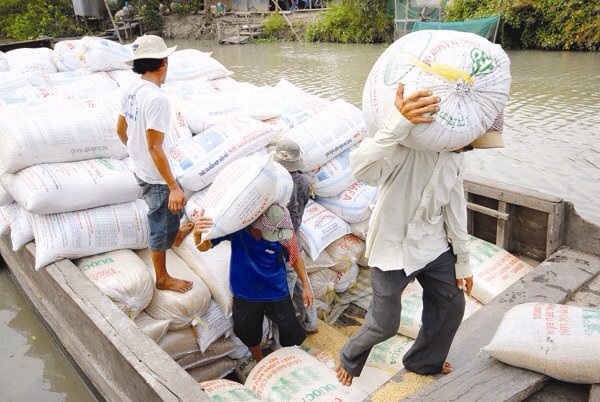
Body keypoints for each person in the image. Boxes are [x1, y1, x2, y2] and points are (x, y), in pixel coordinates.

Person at [335, 83, 474, 386]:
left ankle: (424, 361)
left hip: (432, 245)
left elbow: (455, 207)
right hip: (392, 247)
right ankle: (349, 356)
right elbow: (360, 168)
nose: (467, 147)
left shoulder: (456, 158)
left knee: (452, 305)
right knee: (384, 324)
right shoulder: (406, 145)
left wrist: (463, 261)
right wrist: (397, 123)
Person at [116, 35, 194, 293]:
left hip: (141, 166)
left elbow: (120, 129)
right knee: (160, 219)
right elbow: (155, 147)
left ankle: (176, 235)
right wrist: (171, 185)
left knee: (176, 204)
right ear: (163, 63)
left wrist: (134, 151)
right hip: (154, 173)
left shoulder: (130, 90)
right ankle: (162, 277)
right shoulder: (157, 99)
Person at [194, 203, 314, 362]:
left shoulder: (281, 229)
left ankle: (289, 359)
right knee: (249, 333)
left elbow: (295, 256)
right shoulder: (236, 228)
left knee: (289, 329)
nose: (274, 235)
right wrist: (197, 234)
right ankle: (259, 360)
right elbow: (203, 247)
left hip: (276, 289)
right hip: (245, 292)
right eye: (268, 232)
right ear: (254, 225)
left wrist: (306, 285)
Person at [273, 139, 318, 334]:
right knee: (302, 280)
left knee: (286, 290)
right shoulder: (305, 182)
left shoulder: (278, 185)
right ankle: (311, 323)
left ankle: (284, 333)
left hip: (282, 242)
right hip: (295, 237)